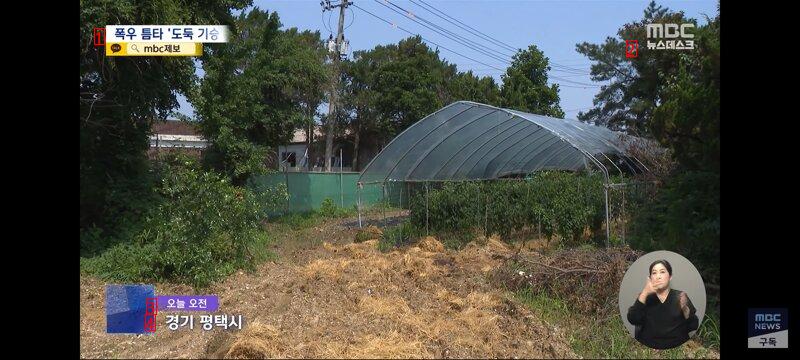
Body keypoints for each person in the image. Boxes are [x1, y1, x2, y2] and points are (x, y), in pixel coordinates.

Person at [627, 259, 699, 349]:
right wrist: (644, 293)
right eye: (654, 273)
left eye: (662, 272)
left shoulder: (680, 296)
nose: (658, 276)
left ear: (670, 276)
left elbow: (694, 326)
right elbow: (633, 319)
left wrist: (685, 310)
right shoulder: (644, 297)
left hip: (677, 348)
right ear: (650, 278)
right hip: (648, 348)